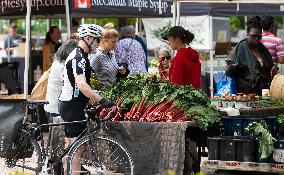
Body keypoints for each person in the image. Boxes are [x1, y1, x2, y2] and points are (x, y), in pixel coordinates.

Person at [58, 24, 115, 175]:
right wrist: (102, 100)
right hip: (72, 105)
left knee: (71, 145)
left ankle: (66, 171)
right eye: (96, 40)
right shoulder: (79, 57)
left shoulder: (80, 55)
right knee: (78, 147)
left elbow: (80, 86)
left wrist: (92, 98)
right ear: (88, 38)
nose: (98, 43)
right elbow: (82, 85)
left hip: (70, 103)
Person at [44, 40, 77, 175]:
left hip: (53, 105)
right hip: (55, 108)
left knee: (57, 140)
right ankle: (54, 169)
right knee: (57, 141)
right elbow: (69, 85)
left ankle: (63, 166)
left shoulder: (57, 62)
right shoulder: (63, 66)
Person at [226, 16, 273, 95]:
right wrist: (231, 68)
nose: (257, 39)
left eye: (259, 37)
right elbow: (228, 73)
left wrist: (273, 67)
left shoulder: (263, 50)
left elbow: (269, 66)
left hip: (263, 93)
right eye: (253, 36)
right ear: (247, 34)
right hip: (244, 94)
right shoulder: (240, 48)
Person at [89, 23, 128, 89]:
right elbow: (88, 76)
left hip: (112, 93)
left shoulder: (112, 53)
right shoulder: (97, 56)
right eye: (113, 42)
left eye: (116, 42)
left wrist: (121, 70)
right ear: (104, 40)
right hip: (101, 95)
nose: (116, 45)